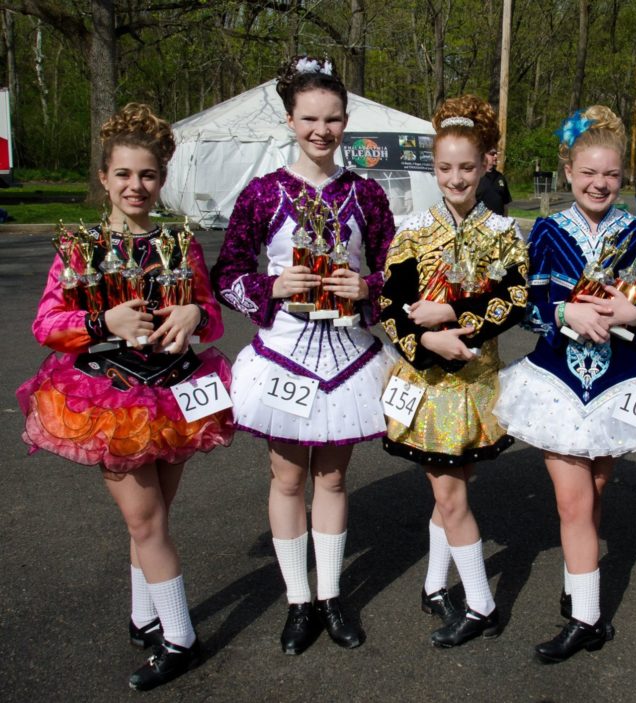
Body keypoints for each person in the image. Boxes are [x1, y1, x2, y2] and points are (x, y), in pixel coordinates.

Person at [16, 103, 234, 690]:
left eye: (148, 176)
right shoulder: (78, 247)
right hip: (109, 398)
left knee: (154, 519)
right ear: (104, 178)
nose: (135, 187)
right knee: (145, 522)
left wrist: (193, 311)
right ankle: (181, 637)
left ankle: (145, 615)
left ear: (161, 179)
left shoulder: (179, 243)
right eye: (123, 175)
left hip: (176, 394)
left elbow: (209, 316)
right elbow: (45, 324)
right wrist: (102, 320)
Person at [494, 107, 636, 663]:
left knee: (594, 495)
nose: (599, 183)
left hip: (619, 380)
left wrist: (632, 317)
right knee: (573, 504)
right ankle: (585, 618)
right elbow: (529, 302)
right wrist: (564, 313)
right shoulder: (547, 231)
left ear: (623, 177)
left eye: (610, 175)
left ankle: (576, 579)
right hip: (558, 378)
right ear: (568, 171)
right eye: (588, 173)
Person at [211, 55, 396, 656]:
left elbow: (399, 273)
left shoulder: (366, 194)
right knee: (287, 476)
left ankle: (332, 594)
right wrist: (271, 288)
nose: (322, 130)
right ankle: (298, 600)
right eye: (310, 118)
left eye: (334, 119)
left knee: (335, 477)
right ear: (290, 120)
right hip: (285, 354)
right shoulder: (262, 194)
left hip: (348, 355)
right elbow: (227, 275)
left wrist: (368, 289)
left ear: (347, 121)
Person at [377, 94, 528, 648]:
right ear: (432, 168)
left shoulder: (506, 233)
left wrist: (456, 315)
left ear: (488, 163)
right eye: (444, 168)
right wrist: (426, 339)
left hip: (477, 381)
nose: (455, 179)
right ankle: (481, 604)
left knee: (454, 491)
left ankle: (436, 584)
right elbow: (389, 306)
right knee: (449, 498)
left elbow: (514, 300)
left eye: (467, 167)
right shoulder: (412, 230)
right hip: (425, 383)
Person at [476, 146, 512, 216]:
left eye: (496, 154)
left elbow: (505, 204)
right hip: (480, 223)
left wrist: (505, 221)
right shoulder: (476, 176)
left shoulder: (500, 177)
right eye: (492, 154)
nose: (495, 156)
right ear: (483, 156)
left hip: (499, 223)